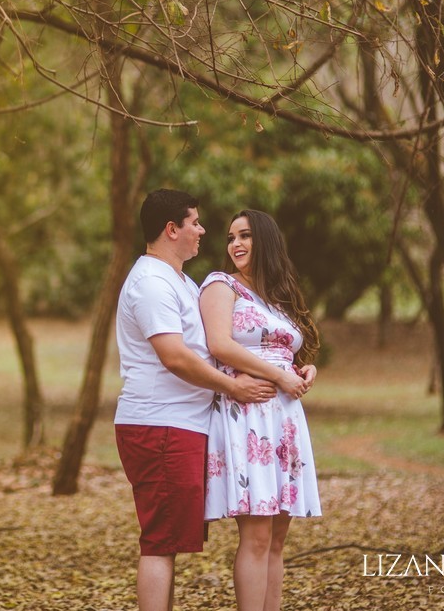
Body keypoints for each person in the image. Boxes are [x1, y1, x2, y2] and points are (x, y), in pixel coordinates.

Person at [114, 189, 278, 611]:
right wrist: (232, 387)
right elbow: (174, 356)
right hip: (160, 425)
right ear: (172, 229)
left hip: (181, 425)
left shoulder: (180, 281)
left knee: (168, 540)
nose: (203, 231)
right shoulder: (151, 283)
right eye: (196, 222)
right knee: (159, 542)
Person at [201, 209, 322, 611]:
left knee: (276, 540)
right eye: (231, 237)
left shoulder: (279, 297)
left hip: (284, 419)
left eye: (245, 236)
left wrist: (304, 370)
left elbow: (289, 350)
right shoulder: (221, 286)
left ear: (265, 240)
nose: (235, 244)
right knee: (255, 536)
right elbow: (220, 345)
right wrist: (279, 375)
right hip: (248, 415)